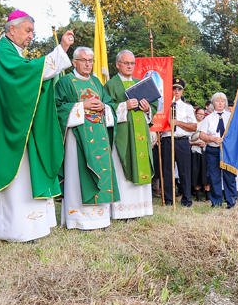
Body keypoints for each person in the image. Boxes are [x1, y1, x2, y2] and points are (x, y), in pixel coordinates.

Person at [0, 11, 73, 242]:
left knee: (23, 178)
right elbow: (24, 76)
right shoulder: (1, 53)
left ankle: (27, 225)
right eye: (27, 31)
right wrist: (61, 50)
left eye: (32, 32)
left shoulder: (12, 52)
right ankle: (7, 228)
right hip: (3, 128)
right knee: (13, 178)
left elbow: (30, 76)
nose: (30, 36)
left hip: (15, 125)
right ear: (11, 29)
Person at [54, 46, 119, 230]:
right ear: (74, 62)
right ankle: (78, 220)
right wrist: (82, 105)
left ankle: (101, 219)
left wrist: (104, 108)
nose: (88, 64)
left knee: (102, 171)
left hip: (99, 137)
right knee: (78, 173)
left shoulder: (97, 82)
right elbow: (57, 108)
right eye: (84, 60)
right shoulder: (65, 82)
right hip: (77, 137)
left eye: (91, 60)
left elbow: (109, 104)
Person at [103, 50, 155, 220]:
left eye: (132, 63)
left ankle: (141, 209)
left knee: (141, 164)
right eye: (126, 63)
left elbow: (152, 108)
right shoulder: (111, 85)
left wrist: (148, 109)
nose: (129, 66)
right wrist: (124, 105)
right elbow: (105, 109)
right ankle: (123, 211)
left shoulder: (140, 84)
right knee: (122, 169)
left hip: (141, 135)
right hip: (123, 136)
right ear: (117, 64)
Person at [157, 78, 197, 207]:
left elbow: (194, 127)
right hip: (167, 140)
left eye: (179, 89)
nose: (176, 91)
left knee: (184, 170)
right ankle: (168, 199)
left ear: (182, 91)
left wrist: (178, 123)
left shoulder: (187, 107)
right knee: (167, 170)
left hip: (182, 141)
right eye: (174, 89)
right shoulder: (163, 106)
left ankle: (186, 198)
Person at [198, 92, 237, 208]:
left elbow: (237, 131)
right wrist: (212, 139)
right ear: (213, 103)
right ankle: (216, 202)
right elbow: (202, 135)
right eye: (217, 101)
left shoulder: (231, 116)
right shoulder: (208, 118)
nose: (220, 103)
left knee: (229, 176)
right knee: (214, 176)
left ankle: (231, 201)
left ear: (225, 103)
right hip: (213, 150)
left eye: (222, 101)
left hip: (228, 151)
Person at [190, 107, 209, 202]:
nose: (201, 116)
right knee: (195, 172)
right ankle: (198, 196)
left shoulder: (206, 124)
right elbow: (187, 139)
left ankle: (207, 195)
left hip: (205, 150)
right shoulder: (191, 124)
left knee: (205, 173)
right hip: (194, 151)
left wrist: (205, 142)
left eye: (203, 114)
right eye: (199, 114)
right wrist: (195, 143)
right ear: (196, 114)